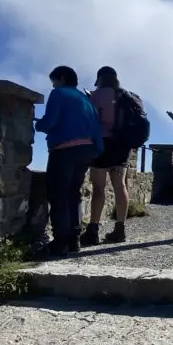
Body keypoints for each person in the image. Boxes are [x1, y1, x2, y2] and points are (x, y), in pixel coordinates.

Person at [34, 66, 103, 256]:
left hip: (64, 150)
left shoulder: (58, 94)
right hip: (86, 151)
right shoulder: (85, 99)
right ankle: (74, 240)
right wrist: (95, 150)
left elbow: (50, 122)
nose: (53, 85)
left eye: (54, 80)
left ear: (61, 78)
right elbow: (96, 128)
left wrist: (38, 124)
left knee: (58, 196)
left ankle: (60, 242)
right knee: (74, 194)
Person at [85, 66, 134, 245]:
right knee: (120, 185)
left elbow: (91, 120)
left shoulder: (96, 95)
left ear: (99, 78)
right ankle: (120, 229)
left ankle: (93, 230)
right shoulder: (126, 96)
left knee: (99, 187)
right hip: (122, 145)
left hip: (102, 143)